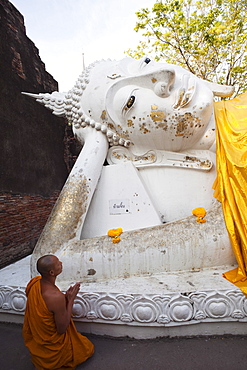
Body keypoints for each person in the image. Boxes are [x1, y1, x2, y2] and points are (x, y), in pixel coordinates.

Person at [23, 254, 94, 370]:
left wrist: (64, 299)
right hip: (54, 348)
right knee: (86, 348)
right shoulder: (56, 297)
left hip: (38, 341)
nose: (61, 263)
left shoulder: (35, 283)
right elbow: (62, 329)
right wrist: (70, 300)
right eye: (58, 263)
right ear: (51, 273)